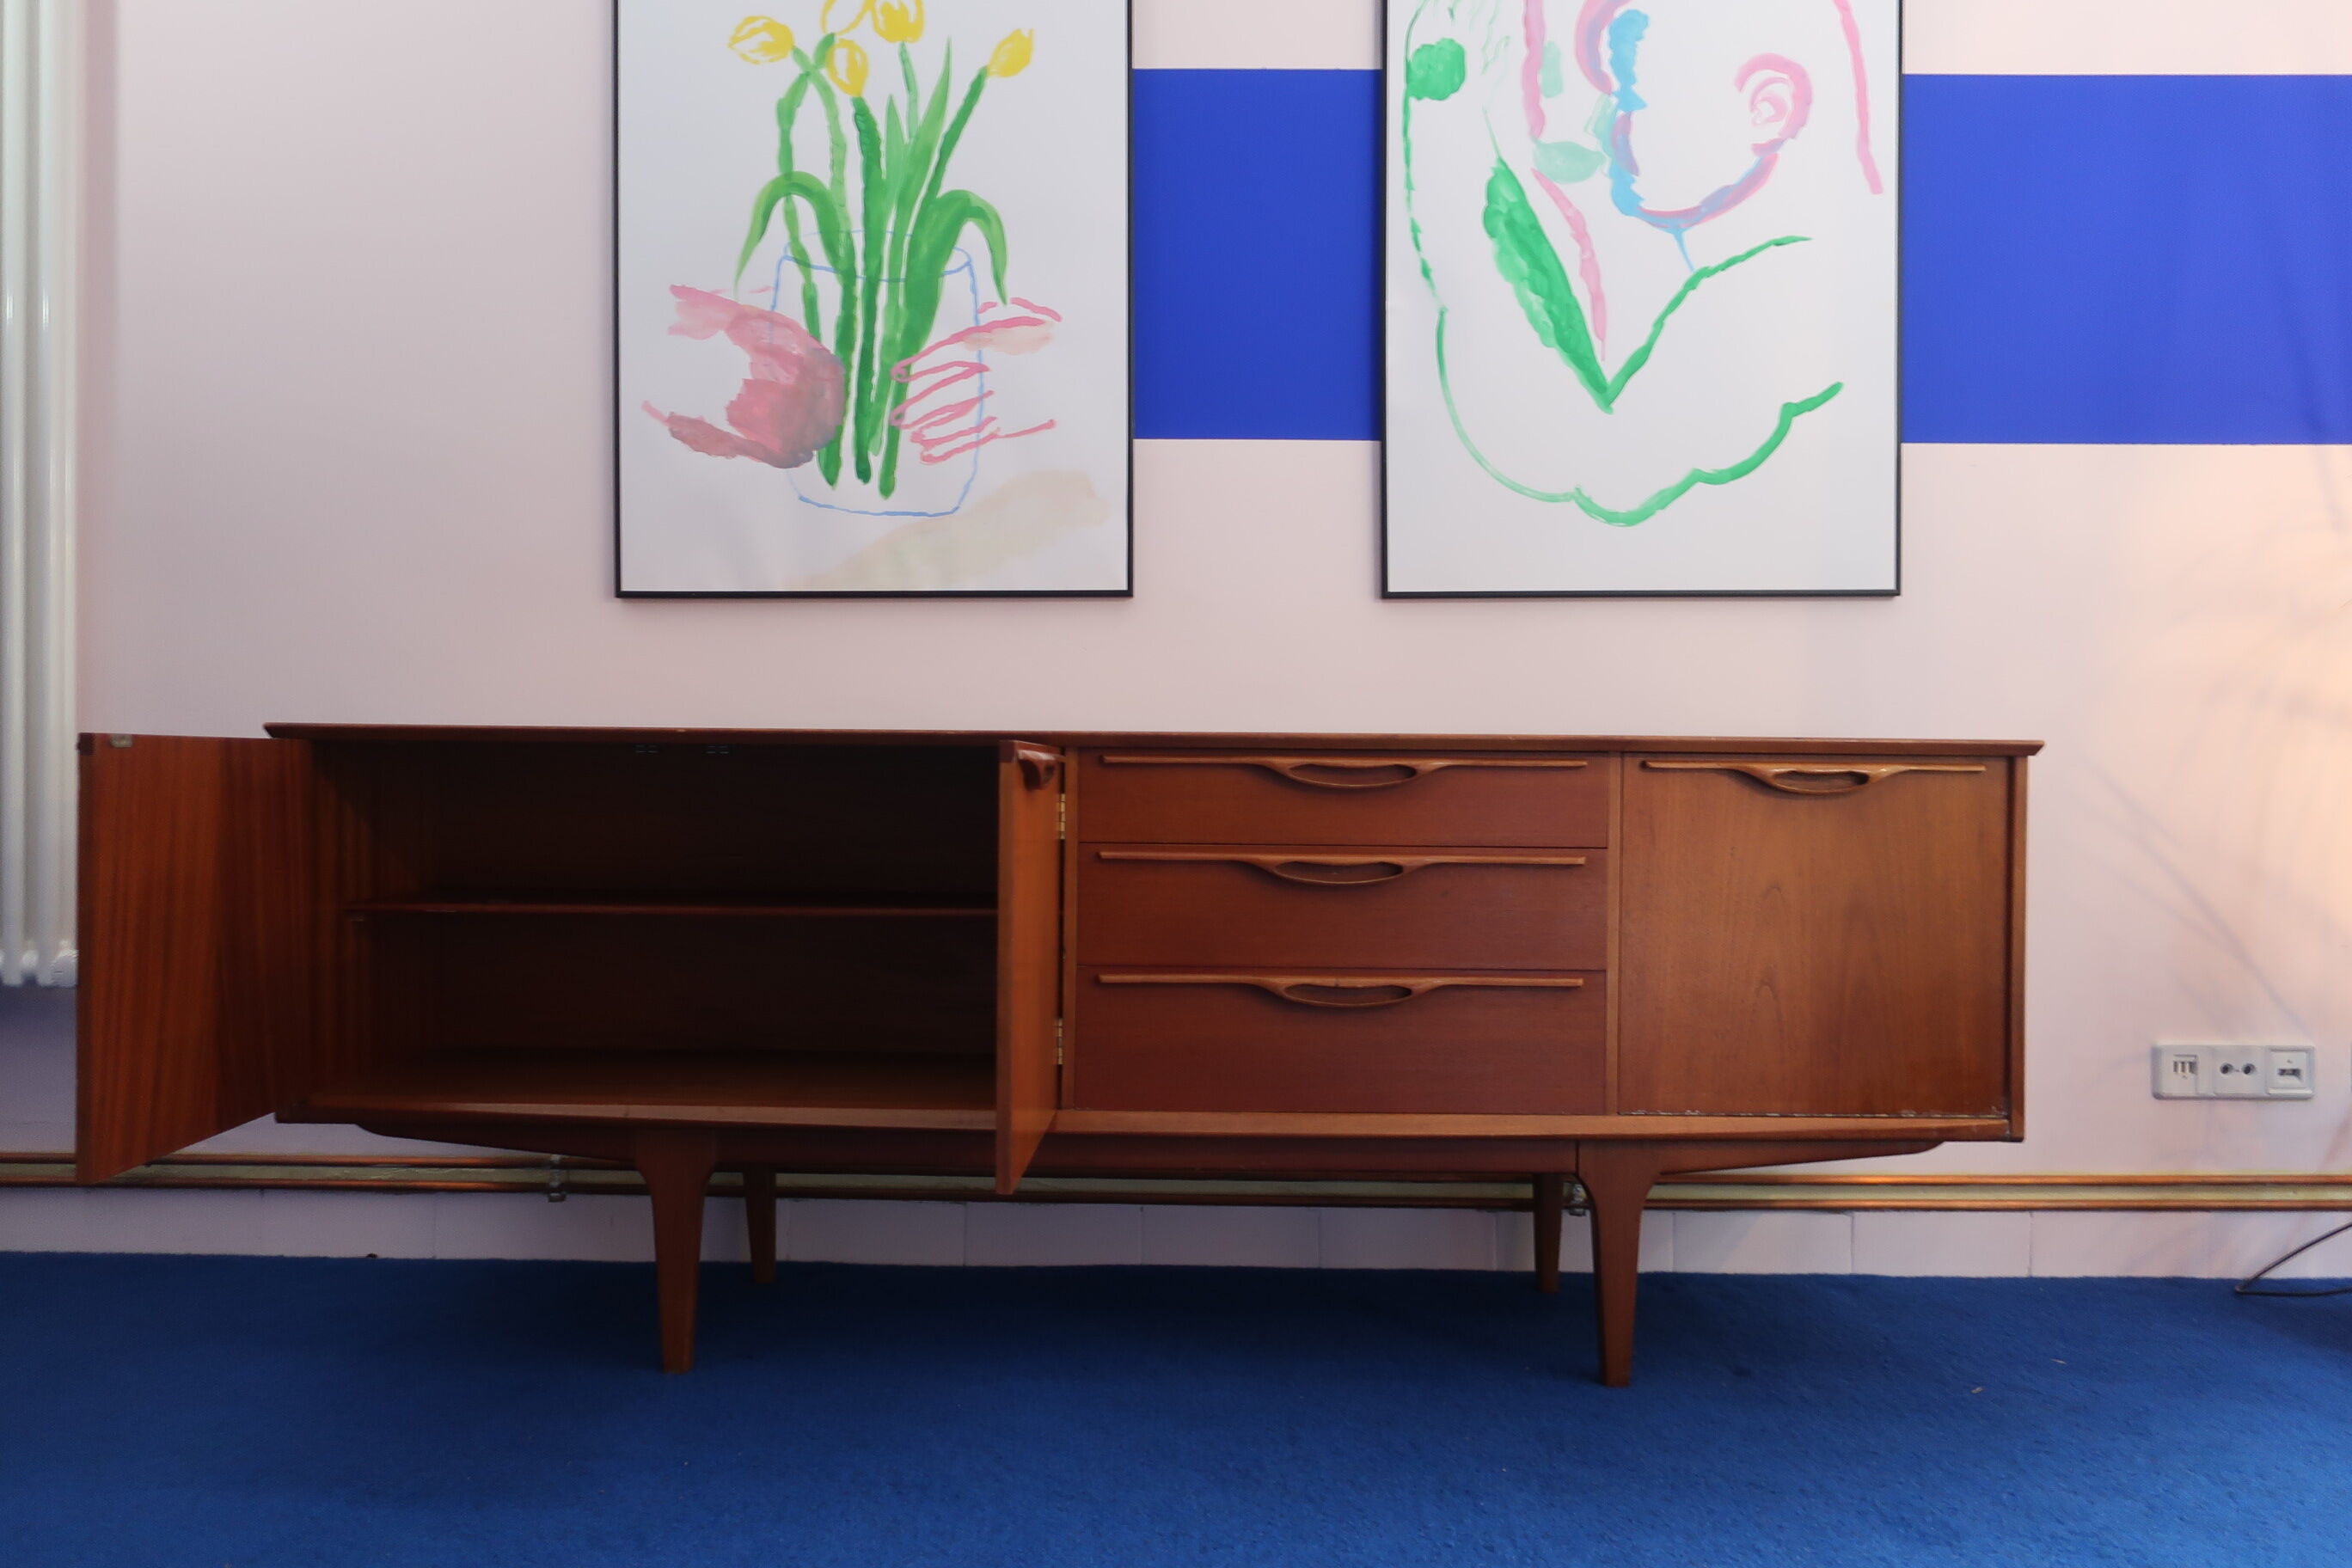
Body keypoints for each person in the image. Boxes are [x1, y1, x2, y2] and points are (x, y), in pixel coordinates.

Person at [1400, 0, 1887, 526]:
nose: (1605, 128)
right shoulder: (1776, 266)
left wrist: (1445, 126)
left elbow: (1595, 460)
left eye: (1629, 100)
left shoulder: (1785, 282)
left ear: (1767, 109)